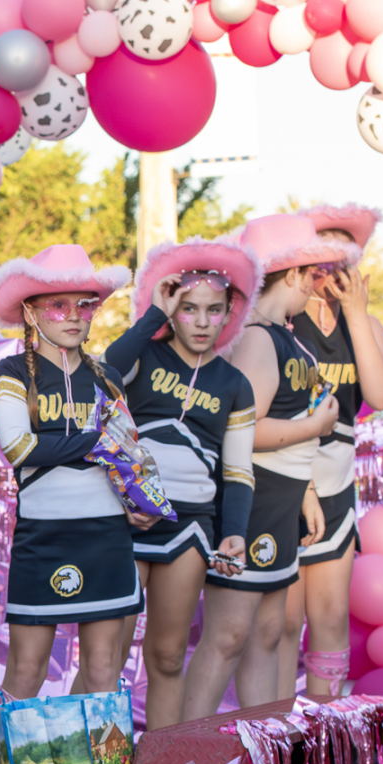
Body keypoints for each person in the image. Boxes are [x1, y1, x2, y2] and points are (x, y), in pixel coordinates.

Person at [189, 215, 354, 712]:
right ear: (295, 274)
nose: (317, 284)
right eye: (314, 273)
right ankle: (182, 748)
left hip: (282, 499)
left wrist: (306, 490)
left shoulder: (283, 336)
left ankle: (266, 745)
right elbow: (243, 430)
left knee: (265, 632)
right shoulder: (258, 337)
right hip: (254, 498)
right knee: (229, 635)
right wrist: (315, 427)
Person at [105, 238, 259, 730]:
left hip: (190, 527)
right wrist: (155, 314)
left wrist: (234, 532)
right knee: (106, 655)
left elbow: (238, 471)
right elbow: (108, 367)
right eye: (189, 308)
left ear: (230, 313)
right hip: (125, 520)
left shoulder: (235, 385)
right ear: (172, 307)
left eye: (214, 310)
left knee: (168, 656)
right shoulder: (144, 357)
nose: (201, 321)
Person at [0, 245, 148, 705]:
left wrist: (140, 500)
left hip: (107, 536)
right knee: (26, 670)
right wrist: (97, 441)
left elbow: (127, 453)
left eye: (85, 304)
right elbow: (19, 448)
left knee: (103, 669)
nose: (73, 315)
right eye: (58, 304)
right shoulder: (11, 371)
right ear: (30, 312)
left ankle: (106, 759)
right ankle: (3, 758)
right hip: (43, 536)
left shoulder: (108, 376)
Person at [282, 204, 383, 695]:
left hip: (337, 481)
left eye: (344, 259)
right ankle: (278, 727)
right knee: (284, 621)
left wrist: (356, 314)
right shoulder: (282, 322)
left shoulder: (363, 324)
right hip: (286, 475)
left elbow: (380, 396)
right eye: (322, 259)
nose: (333, 271)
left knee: (330, 614)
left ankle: (323, 722)